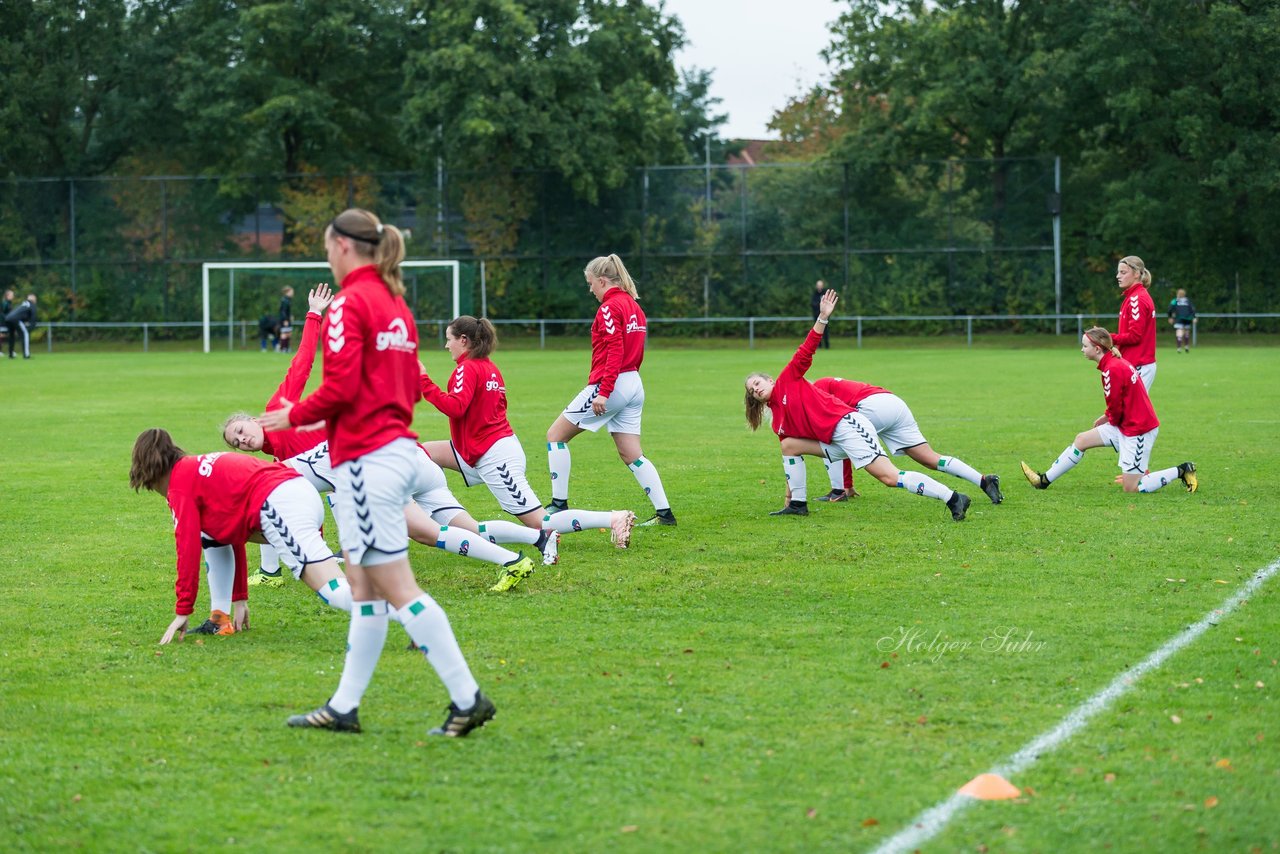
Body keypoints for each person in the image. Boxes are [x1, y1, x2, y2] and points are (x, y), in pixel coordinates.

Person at [259, 207, 493, 737]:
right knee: (364, 589)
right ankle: (344, 707)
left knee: (396, 586)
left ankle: (467, 696)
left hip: (366, 461)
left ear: (343, 247)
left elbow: (339, 389)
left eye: (325, 249)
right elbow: (406, 385)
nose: (327, 258)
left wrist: (288, 416)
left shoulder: (349, 305)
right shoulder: (395, 305)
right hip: (391, 452)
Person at [227, 295, 537, 591]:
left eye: (240, 430)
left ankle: (326, 572)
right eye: (236, 443)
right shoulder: (292, 460)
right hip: (408, 459)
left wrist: (314, 316)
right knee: (432, 532)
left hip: (384, 462)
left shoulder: (292, 444)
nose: (242, 440)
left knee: (282, 502)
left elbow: (302, 363)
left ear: (254, 419)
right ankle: (517, 554)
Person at [418, 315, 638, 581]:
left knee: (542, 523)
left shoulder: (469, 368)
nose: (446, 346)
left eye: (449, 339)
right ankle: (430, 517)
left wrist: (423, 382)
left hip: (494, 456)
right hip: (479, 450)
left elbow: (456, 406)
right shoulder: (489, 367)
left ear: (463, 340)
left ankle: (613, 518)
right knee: (420, 453)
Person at [745, 289, 972, 521]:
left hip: (848, 426)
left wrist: (822, 317)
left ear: (769, 380)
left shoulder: (788, 379)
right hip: (833, 441)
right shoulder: (779, 422)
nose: (756, 389)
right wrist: (787, 498)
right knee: (789, 446)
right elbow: (790, 463)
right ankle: (797, 504)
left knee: (889, 478)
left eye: (757, 383)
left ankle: (953, 498)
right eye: (752, 390)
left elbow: (807, 348)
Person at [129, 428, 354, 645]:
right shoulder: (194, 470)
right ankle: (220, 619)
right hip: (295, 490)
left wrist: (183, 610)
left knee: (332, 591)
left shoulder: (180, 485)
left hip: (283, 503)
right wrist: (239, 598)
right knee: (209, 534)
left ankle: (386, 600)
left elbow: (186, 550)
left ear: (149, 473)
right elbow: (229, 533)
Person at [546, 254, 676, 527]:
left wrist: (604, 391)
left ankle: (558, 504)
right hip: (633, 383)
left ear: (602, 280)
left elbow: (615, 350)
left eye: (591, 283)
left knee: (555, 435)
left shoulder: (609, 307)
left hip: (612, 383)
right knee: (632, 454)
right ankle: (665, 514)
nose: (590, 289)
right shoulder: (633, 306)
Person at [1020, 326, 1197, 495]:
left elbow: (1116, 407)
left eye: (1084, 346)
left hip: (1138, 430)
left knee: (1131, 488)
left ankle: (1182, 470)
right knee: (1081, 440)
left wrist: (1109, 417)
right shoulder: (1114, 363)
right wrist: (1107, 417)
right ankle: (1043, 481)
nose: (1082, 349)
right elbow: (1119, 402)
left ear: (1097, 349)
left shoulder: (1111, 369)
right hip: (1125, 424)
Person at [777, 376, 1002, 507]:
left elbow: (843, 431)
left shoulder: (815, 390)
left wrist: (846, 484)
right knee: (929, 458)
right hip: (893, 404)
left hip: (871, 407)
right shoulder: (821, 385)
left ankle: (839, 490)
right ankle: (984, 481)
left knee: (839, 440)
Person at [1111, 255, 1157, 389]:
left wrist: (1108, 338)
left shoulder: (1137, 299)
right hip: (1134, 364)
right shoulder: (1133, 297)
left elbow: (1135, 336)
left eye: (1123, 272)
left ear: (1136, 274)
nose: (1118, 276)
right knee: (1127, 409)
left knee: (1130, 409)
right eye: (1118, 272)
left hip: (1139, 364)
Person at [5, 292, 37, 359]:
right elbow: (33, 318)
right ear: (33, 299)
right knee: (25, 334)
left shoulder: (22, 304)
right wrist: (31, 327)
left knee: (11, 336)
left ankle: (11, 354)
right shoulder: (31, 305)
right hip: (16, 319)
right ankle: (26, 355)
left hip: (8, 318)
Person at [1167, 288, 1197, 353]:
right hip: (1188, 318)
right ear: (1184, 294)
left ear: (1177, 294)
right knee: (1186, 332)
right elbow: (1193, 309)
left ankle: (1179, 348)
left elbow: (1169, 309)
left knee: (1179, 332)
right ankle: (1186, 346)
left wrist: (1170, 317)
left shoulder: (1175, 301)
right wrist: (1194, 317)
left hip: (1179, 318)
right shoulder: (1187, 300)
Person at [811, 280, 831, 349]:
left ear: (822, 286)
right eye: (818, 285)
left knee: (825, 331)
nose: (819, 287)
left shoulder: (825, 294)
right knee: (817, 332)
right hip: (817, 316)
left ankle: (827, 346)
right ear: (816, 286)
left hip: (825, 316)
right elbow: (813, 304)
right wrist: (819, 305)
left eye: (820, 285)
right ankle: (819, 346)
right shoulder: (814, 294)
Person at [276, 286, 294, 353]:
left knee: (288, 333)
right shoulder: (285, 300)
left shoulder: (287, 300)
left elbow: (287, 311)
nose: (292, 293)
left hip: (287, 319)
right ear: (287, 292)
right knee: (284, 333)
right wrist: (285, 320)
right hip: (284, 320)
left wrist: (290, 316)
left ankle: (286, 348)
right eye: (291, 292)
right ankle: (282, 348)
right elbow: (283, 311)